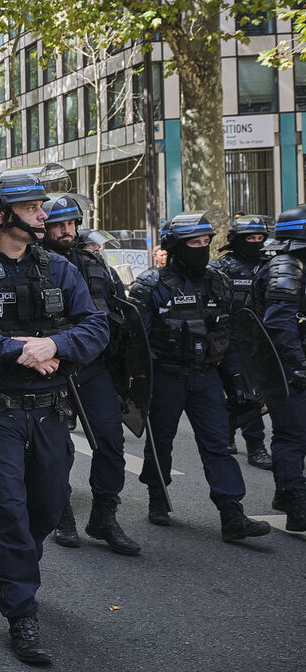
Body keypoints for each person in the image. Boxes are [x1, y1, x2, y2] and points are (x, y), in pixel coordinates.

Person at [0, 169, 109, 665]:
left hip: (51, 409)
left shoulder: (60, 269)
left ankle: (20, 568)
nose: (43, 214)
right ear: (1, 216)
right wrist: (18, 350)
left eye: (41, 206)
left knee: (48, 507)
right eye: (31, 207)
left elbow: (96, 328)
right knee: (9, 508)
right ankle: (20, 610)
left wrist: (54, 345)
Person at [128, 213, 270, 541]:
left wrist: (237, 381)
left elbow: (228, 334)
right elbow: (135, 342)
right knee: (160, 442)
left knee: (218, 445)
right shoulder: (151, 285)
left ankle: (232, 513)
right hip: (165, 376)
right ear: (176, 247)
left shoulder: (218, 281)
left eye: (206, 242)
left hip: (206, 376)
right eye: (195, 242)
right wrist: (136, 385)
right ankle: (157, 495)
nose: (202, 248)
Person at [38, 196, 141, 556]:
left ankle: (104, 516)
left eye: (71, 224)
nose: (66, 231)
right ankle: (61, 513)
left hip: (94, 367)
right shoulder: (32, 265)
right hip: (52, 369)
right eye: (58, 225)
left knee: (110, 441)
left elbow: (118, 312)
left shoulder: (93, 263)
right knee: (57, 449)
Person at [255, 206, 306, 531]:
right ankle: (295, 502)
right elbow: (280, 322)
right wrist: (298, 364)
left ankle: (286, 492)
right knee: (292, 435)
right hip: (286, 366)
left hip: (293, 361)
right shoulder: (285, 266)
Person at [209, 215, 274, 470]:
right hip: (231, 339)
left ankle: (228, 431)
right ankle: (256, 446)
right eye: (250, 238)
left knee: (262, 394)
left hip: (264, 339)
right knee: (244, 393)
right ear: (237, 240)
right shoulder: (221, 268)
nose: (256, 243)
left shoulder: (272, 265)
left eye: (260, 238)